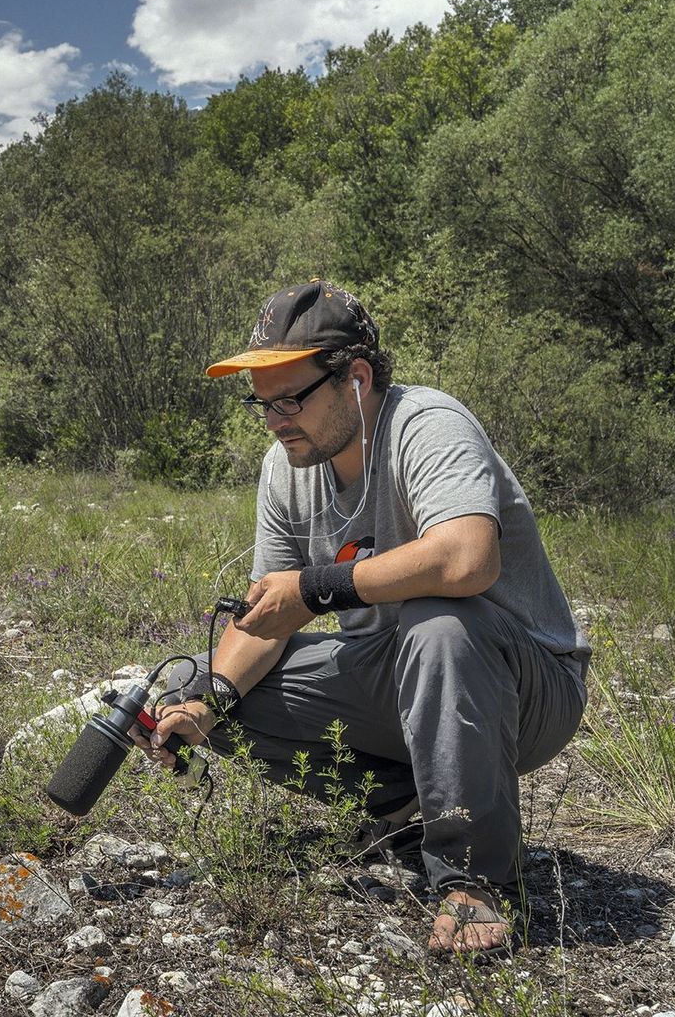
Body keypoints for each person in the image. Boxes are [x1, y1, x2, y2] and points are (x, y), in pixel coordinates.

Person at [130, 279, 589, 955]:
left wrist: (318, 588)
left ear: (355, 379)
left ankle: (474, 882)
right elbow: (265, 617)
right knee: (196, 685)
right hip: (400, 678)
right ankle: (404, 801)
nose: (274, 419)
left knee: (440, 620)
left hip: (525, 685)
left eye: (290, 398)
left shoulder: (427, 425)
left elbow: (468, 561)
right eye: (261, 402)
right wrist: (210, 701)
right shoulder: (287, 466)